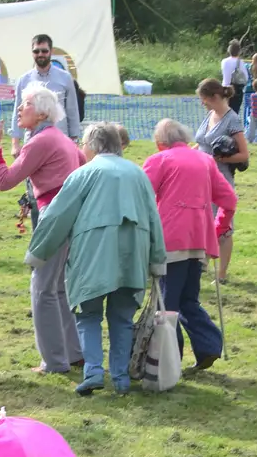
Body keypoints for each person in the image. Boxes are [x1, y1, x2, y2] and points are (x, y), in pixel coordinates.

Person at [28, 123, 165, 396]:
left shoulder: (84, 174)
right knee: (122, 317)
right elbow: (153, 218)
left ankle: (93, 372)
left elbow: (58, 215)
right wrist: (157, 260)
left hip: (93, 252)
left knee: (88, 314)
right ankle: (121, 378)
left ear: (91, 146)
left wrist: (38, 252)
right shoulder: (138, 174)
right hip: (133, 252)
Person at [0, 83, 84, 374]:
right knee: (57, 288)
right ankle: (73, 352)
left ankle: (54, 362)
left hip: (53, 218)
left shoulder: (40, 142)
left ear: (41, 112)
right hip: (70, 217)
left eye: (26, 104)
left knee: (42, 289)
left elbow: (5, 181)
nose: (19, 108)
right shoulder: (62, 138)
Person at [143, 119, 236, 371]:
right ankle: (208, 346)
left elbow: (141, 197)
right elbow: (229, 199)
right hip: (198, 241)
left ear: (160, 143)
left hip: (170, 241)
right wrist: (218, 228)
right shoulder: (206, 160)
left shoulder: (159, 160)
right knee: (188, 299)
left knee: (167, 304)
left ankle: (168, 361)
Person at [192, 78, 250, 283]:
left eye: (204, 99)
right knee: (203, 221)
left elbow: (244, 154)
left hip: (219, 179)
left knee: (223, 227)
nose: (202, 103)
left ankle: (222, 274)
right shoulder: (209, 115)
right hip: (200, 177)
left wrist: (220, 158)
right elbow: (201, 144)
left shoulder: (232, 119)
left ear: (215, 97)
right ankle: (202, 263)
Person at [11, 33, 81, 151]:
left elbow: (72, 112)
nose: (40, 54)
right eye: (36, 51)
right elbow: (17, 112)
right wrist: (15, 144)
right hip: (32, 142)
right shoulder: (24, 80)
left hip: (60, 142)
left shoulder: (65, 78)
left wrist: (74, 141)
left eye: (44, 51)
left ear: (51, 51)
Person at [220, 40, 247, 114]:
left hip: (224, 89)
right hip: (236, 91)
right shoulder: (240, 62)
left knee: (224, 113)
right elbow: (246, 77)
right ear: (239, 51)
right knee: (234, 113)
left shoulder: (224, 61)